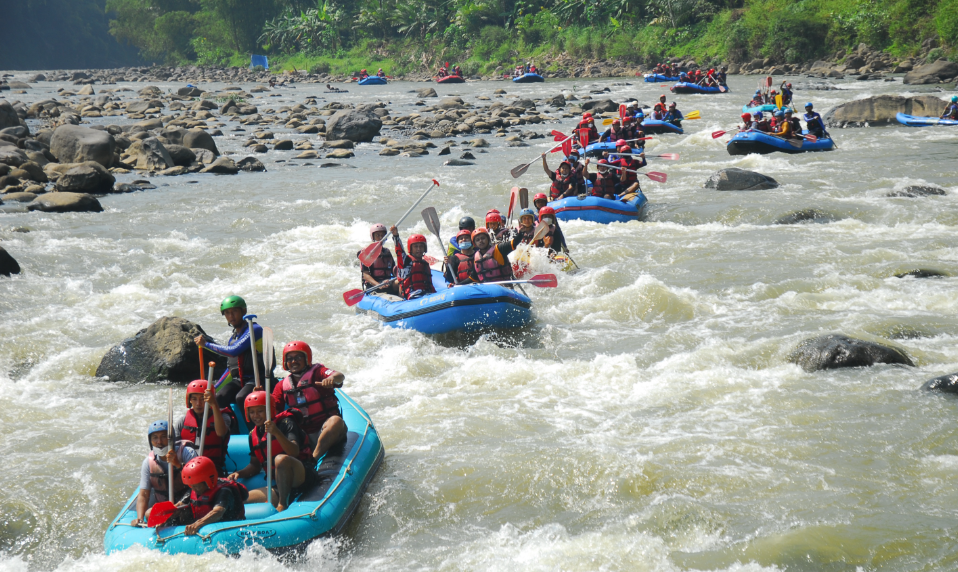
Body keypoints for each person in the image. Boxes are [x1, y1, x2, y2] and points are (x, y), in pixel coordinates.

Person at [228, 391, 316, 512]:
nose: (256, 416)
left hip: (301, 475)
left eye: (260, 411)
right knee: (242, 500)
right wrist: (239, 473)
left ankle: (282, 505)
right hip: (280, 484)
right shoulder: (252, 435)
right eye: (252, 412)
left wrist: (276, 432)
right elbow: (255, 465)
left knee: (281, 459)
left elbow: (294, 452)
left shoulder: (286, 423)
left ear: (270, 410)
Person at [194, 296, 269, 414]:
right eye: (227, 313)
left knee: (241, 397)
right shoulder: (233, 338)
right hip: (240, 380)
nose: (231, 316)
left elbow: (233, 351)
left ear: (243, 311)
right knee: (219, 397)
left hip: (259, 378)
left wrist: (206, 344)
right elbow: (231, 369)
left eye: (234, 311)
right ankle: (227, 428)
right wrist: (213, 388)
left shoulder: (254, 329)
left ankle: (253, 431)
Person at [273, 341, 347, 460]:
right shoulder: (281, 386)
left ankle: (313, 459)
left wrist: (332, 379)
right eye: (290, 358)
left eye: (298, 357)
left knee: (336, 421)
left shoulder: (318, 373)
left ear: (307, 359)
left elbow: (339, 376)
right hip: (303, 435)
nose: (293, 361)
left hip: (326, 429)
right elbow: (274, 411)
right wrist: (261, 395)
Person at [131, 420, 197, 526]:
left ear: (172, 439)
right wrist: (140, 519)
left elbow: (198, 484)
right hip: (166, 507)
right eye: (155, 438)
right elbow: (143, 495)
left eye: (163, 436)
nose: (159, 442)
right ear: (150, 441)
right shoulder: (148, 463)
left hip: (188, 503)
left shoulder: (187, 453)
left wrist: (178, 465)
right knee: (149, 514)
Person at [179, 457, 248, 535]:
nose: (194, 489)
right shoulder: (194, 488)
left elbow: (218, 511)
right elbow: (178, 505)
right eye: (191, 486)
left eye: (196, 486)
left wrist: (197, 524)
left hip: (230, 529)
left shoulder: (225, 490)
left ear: (208, 481)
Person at [177, 379, 231, 475]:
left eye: (203, 398)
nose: (198, 403)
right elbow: (175, 447)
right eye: (194, 399)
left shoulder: (223, 417)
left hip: (212, 469)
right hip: (188, 469)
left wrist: (214, 404)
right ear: (189, 400)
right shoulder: (182, 421)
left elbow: (221, 432)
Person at [391, 227, 436, 299]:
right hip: (412, 295)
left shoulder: (425, 263)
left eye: (421, 246)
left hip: (427, 293)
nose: (419, 249)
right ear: (410, 248)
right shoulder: (406, 261)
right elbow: (399, 250)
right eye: (416, 246)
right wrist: (396, 236)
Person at [359, 223, 398, 296]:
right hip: (374, 286)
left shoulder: (387, 252)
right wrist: (379, 285)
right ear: (373, 237)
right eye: (377, 235)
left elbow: (394, 270)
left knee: (399, 282)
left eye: (383, 235)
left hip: (387, 283)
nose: (381, 238)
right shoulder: (367, 253)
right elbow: (366, 275)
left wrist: (389, 281)